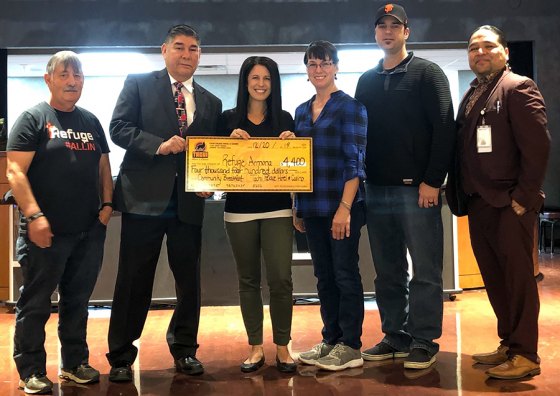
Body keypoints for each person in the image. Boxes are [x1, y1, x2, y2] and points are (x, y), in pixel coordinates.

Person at [106, 24, 222, 382]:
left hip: (189, 204)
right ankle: (122, 356)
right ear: (164, 50)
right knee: (133, 280)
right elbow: (119, 127)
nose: (187, 55)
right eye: (180, 47)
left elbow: (211, 155)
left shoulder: (211, 101)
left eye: (194, 49)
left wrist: (210, 184)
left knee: (189, 282)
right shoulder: (139, 84)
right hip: (143, 200)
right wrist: (158, 144)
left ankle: (185, 350)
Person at [354, 3, 455, 370]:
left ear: (406, 32)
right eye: (381, 26)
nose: (387, 31)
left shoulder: (428, 74)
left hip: (418, 191)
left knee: (426, 270)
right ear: (375, 33)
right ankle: (395, 336)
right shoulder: (366, 80)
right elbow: (358, 135)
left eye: (394, 26)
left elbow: (445, 127)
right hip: (376, 190)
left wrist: (433, 180)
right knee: (387, 271)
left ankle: (424, 339)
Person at [6, 51, 113, 394]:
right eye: (64, 75)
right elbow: (14, 171)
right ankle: (31, 370)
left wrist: (108, 204)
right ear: (48, 79)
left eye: (78, 75)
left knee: (77, 302)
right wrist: (34, 216)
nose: (72, 81)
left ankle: (74, 363)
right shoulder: (33, 119)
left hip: (87, 231)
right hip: (45, 232)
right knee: (35, 303)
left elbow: (103, 167)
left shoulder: (90, 121)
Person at [446, 25, 549, 380]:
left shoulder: (518, 87)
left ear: (505, 51)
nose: (480, 52)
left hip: (509, 203)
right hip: (478, 203)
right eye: (473, 47)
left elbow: (538, 147)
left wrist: (525, 197)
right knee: (495, 279)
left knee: (518, 280)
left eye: (488, 46)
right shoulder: (474, 92)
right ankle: (509, 342)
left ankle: (526, 354)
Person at [220, 56, 297, 374]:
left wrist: (292, 149)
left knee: (281, 278)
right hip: (238, 211)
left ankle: (283, 347)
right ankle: (255, 348)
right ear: (245, 81)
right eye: (255, 77)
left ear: (273, 83)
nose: (261, 83)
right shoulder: (226, 120)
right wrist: (228, 144)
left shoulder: (285, 119)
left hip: (278, 208)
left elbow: (295, 169)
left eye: (267, 78)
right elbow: (215, 168)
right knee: (248, 280)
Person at [293, 41, 368, 372]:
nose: (319, 69)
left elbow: (355, 161)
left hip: (342, 207)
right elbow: (297, 164)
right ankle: (330, 338)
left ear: (336, 66)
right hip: (311, 207)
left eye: (325, 63)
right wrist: (297, 206)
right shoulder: (300, 111)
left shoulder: (351, 107)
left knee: (345, 274)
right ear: (307, 70)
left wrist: (344, 208)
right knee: (323, 276)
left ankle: (350, 345)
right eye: (312, 63)